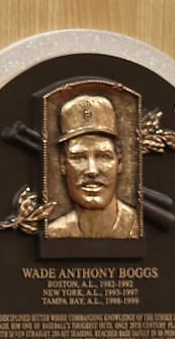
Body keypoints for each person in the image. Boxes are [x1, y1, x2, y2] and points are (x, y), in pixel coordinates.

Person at [44, 92, 141, 240]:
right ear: (63, 164)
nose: (92, 170)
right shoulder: (54, 233)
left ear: (119, 162)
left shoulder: (138, 226)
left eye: (103, 157)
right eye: (79, 158)